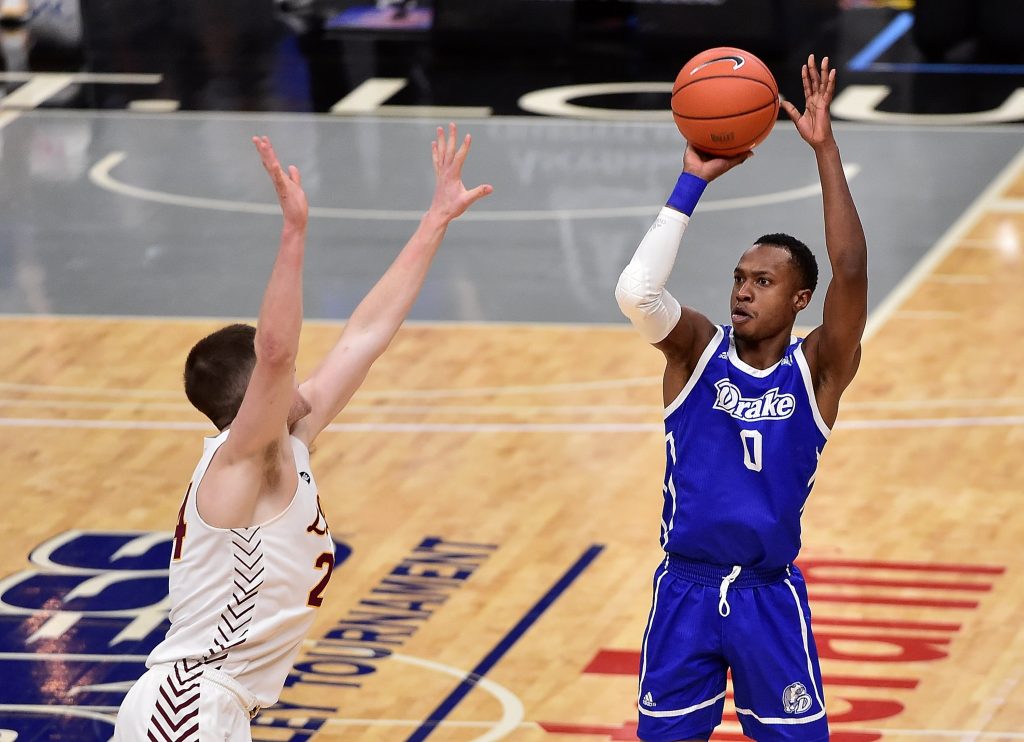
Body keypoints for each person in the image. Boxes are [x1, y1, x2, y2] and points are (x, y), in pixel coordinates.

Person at [112, 123, 492, 741]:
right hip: (187, 708)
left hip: (209, 706)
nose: (304, 381)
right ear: (258, 392)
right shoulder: (241, 462)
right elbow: (278, 349)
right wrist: (293, 232)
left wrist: (435, 221)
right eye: (284, 377)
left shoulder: (290, 439)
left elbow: (365, 334)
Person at [614, 55, 866, 742]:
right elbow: (636, 295)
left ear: (800, 299)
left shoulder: (819, 369)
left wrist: (825, 148)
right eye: (739, 278)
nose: (743, 290)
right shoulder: (697, 350)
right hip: (684, 591)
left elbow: (850, 269)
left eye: (763, 281)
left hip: (767, 597)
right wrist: (690, 183)